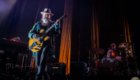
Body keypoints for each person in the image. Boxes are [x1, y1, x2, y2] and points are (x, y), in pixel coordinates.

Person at [28, 8, 61, 80]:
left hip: (47, 44)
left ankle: (38, 77)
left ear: (50, 16)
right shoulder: (37, 24)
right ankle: (46, 76)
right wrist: (34, 35)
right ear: (43, 15)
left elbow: (57, 33)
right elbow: (30, 33)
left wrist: (57, 25)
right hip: (37, 45)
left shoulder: (52, 23)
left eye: (48, 15)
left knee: (43, 59)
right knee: (38, 63)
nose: (46, 16)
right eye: (45, 14)